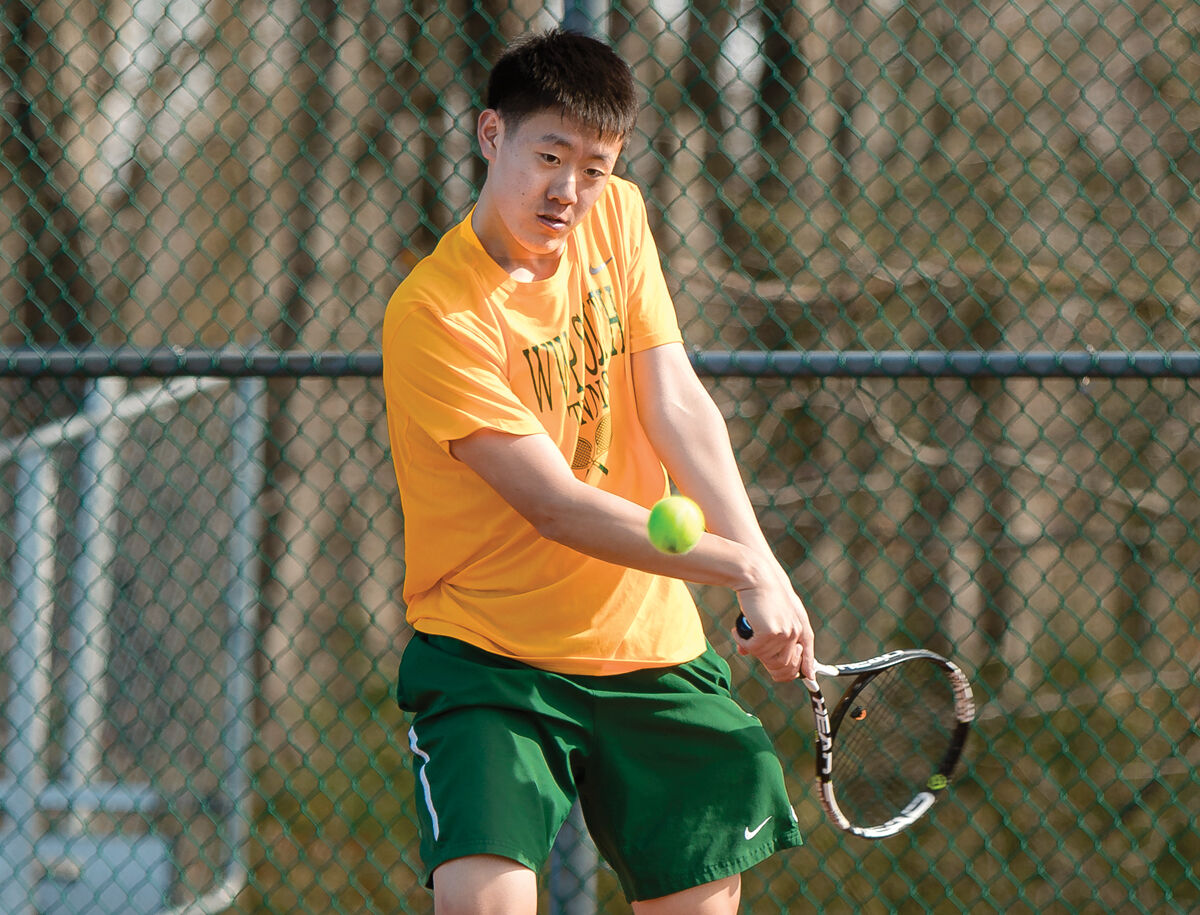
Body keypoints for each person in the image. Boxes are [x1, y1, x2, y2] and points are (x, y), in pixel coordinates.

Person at [381, 27, 816, 915]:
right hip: (491, 656)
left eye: (594, 165)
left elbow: (676, 401)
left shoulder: (618, 217)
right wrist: (738, 567)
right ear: (490, 133)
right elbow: (553, 503)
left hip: (647, 649)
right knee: (482, 902)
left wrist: (763, 561)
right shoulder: (435, 313)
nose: (568, 190)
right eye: (549, 156)